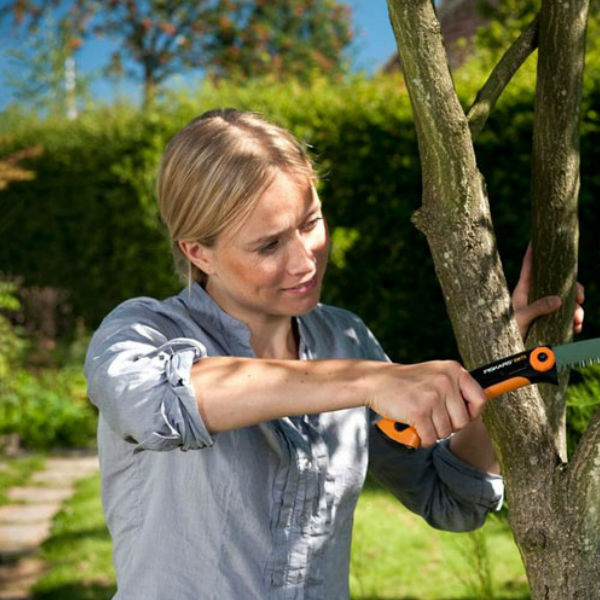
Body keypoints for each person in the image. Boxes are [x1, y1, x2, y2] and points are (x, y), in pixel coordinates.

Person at [84, 108, 584, 599]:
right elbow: (155, 404)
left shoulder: (342, 337)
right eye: (268, 245)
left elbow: (448, 496)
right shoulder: (142, 332)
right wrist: (366, 381)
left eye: (310, 222)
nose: (305, 259)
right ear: (198, 252)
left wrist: (510, 366)